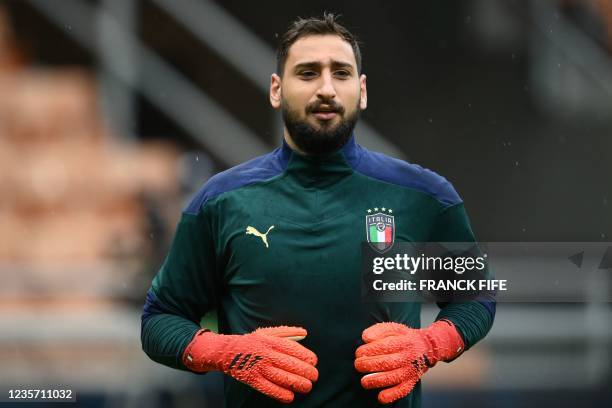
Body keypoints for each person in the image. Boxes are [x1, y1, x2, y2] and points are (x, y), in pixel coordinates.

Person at [141, 13, 495, 407]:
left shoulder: (422, 197)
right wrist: (225, 353)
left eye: (341, 73)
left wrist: (430, 343)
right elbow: (159, 321)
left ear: (361, 91)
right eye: (308, 73)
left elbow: (474, 301)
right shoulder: (221, 202)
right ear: (276, 90)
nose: (326, 88)